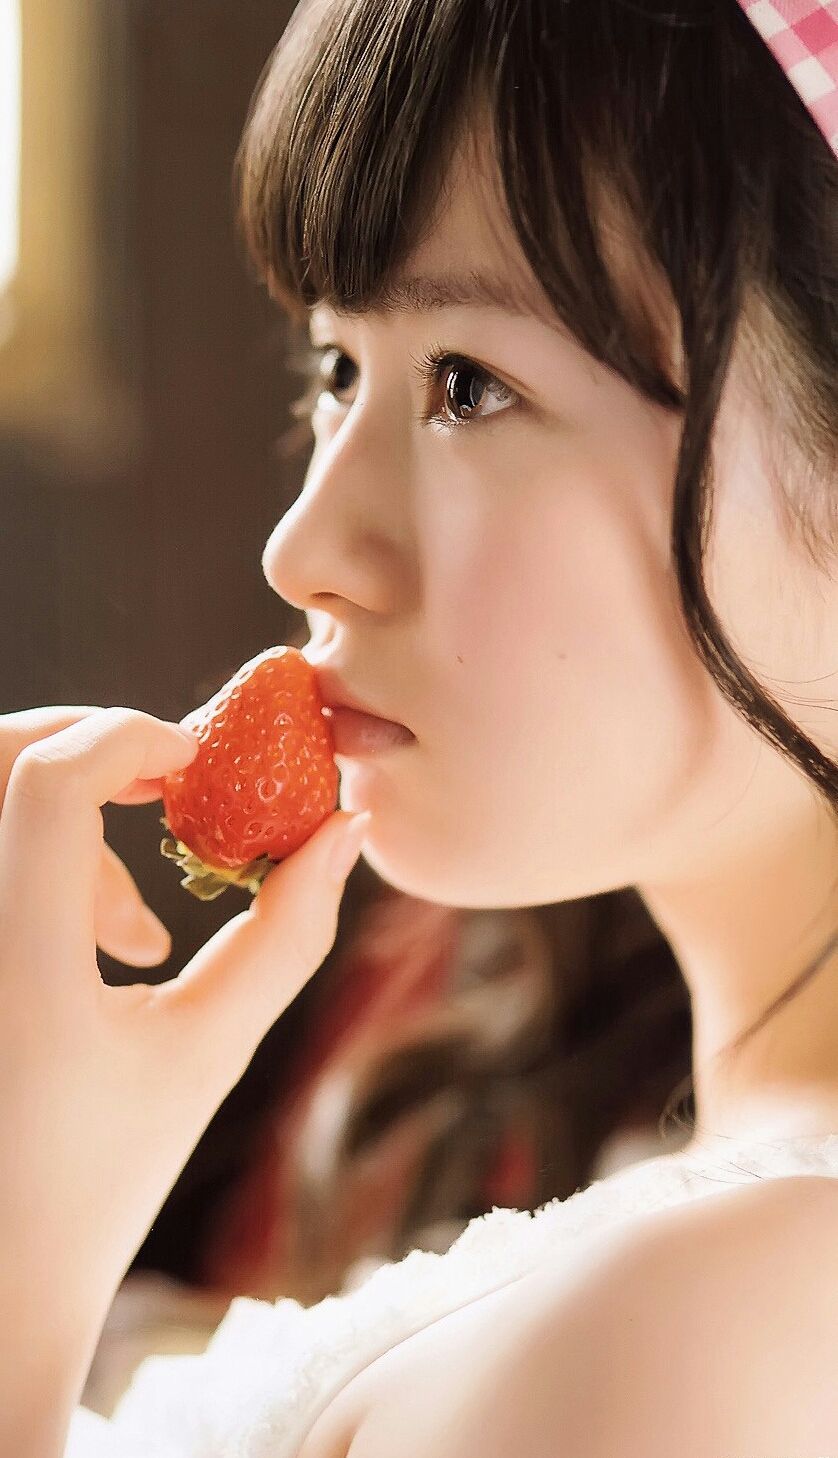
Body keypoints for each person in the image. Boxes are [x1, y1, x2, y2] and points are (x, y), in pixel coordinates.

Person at [1, 0, 836, 1452]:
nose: (303, 547)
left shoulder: (717, 1332)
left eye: (468, 384)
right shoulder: (714, 1221)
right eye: (336, 370)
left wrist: (24, 1240)